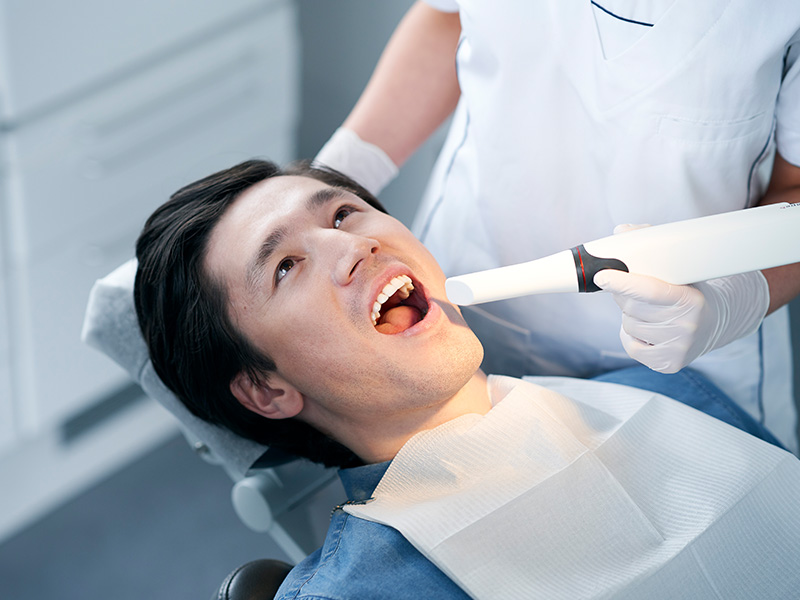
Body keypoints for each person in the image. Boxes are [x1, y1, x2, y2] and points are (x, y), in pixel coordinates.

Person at [134, 159, 799, 599]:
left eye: (341, 214)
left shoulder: (666, 394)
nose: (352, 245)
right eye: (285, 266)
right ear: (267, 390)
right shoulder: (359, 592)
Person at [315, 1, 800, 453]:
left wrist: (733, 301)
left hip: (688, 350)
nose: (352, 249)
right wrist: (326, 183)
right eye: (285, 266)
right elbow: (447, 16)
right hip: (478, 292)